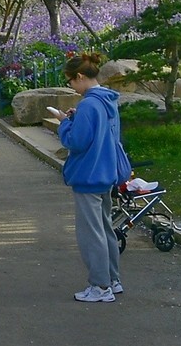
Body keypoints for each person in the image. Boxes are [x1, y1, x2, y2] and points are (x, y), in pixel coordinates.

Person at [51, 52, 125, 304]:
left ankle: (100, 285)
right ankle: (113, 280)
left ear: (80, 76)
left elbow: (76, 141)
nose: (71, 85)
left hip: (88, 174)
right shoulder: (107, 100)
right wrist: (76, 118)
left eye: (71, 80)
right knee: (105, 229)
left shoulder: (88, 105)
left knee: (90, 233)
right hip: (107, 172)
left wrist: (64, 123)